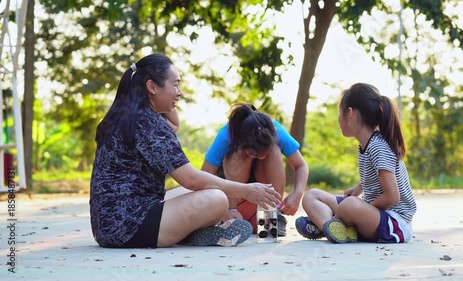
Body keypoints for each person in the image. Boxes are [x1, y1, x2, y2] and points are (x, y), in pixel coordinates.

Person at [89, 54, 281, 248]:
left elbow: (174, 124)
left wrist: (155, 96)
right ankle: (192, 233)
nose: (180, 93)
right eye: (175, 85)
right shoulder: (148, 123)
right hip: (129, 226)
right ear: (152, 87)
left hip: (110, 224)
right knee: (216, 198)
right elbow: (191, 179)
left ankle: (195, 234)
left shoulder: (130, 117)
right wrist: (247, 190)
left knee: (208, 191)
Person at [295, 83, 417, 243]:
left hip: (395, 223)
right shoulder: (366, 144)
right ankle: (333, 228)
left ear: (350, 113)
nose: (339, 118)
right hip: (376, 216)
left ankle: (329, 225)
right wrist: (359, 187)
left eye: (340, 112)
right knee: (311, 196)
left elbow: (393, 197)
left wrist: (364, 207)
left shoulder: (378, 147)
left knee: (350, 205)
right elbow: (380, 176)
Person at [201, 103, 309, 236]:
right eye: (254, 154)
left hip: (261, 194)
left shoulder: (275, 130)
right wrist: (225, 210)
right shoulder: (227, 134)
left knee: (274, 150)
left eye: (264, 154)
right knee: (237, 154)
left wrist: (297, 194)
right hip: (233, 193)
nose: (261, 157)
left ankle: (271, 215)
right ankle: (232, 213)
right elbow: (204, 176)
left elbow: (301, 165)